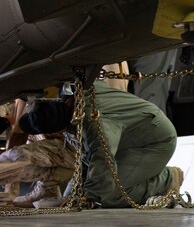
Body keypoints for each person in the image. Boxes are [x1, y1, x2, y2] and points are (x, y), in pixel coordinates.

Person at [18, 80, 183, 208]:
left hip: (154, 141)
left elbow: (102, 159)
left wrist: (87, 197)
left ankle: (166, 181)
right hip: (132, 138)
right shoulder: (78, 90)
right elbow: (85, 162)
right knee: (90, 190)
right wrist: (70, 196)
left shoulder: (95, 123)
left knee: (109, 195)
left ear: (57, 130)